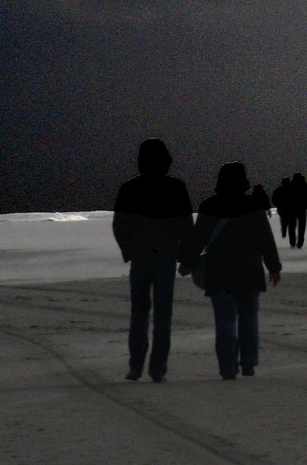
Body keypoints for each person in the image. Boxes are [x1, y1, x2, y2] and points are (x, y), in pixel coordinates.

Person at [180, 161, 281, 380]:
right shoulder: (254, 206)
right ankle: (248, 361)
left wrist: (186, 263)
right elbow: (265, 239)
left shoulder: (209, 206)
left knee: (225, 320)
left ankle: (227, 367)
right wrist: (274, 267)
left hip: (219, 272)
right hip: (250, 270)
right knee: (249, 316)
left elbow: (198, 240)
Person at [112, 138, 194, 382]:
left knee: (139, 312)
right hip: (166, 257)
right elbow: (186, 227)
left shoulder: (129, 188)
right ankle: (157, 369)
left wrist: (128, 250)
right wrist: (186, 257)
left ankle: (136, 366)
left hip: (140, 257)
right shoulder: (176, 188)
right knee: (163, 315)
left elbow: (120, 225)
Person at [288, 172, 307, 249]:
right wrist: (306, 205)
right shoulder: (305, 185)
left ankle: (293, 242)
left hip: (292, 209)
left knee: (292, 226)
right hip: (302, 208)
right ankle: (300, 242)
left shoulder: (290, 186)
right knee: (301, 227)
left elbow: (286, 196)